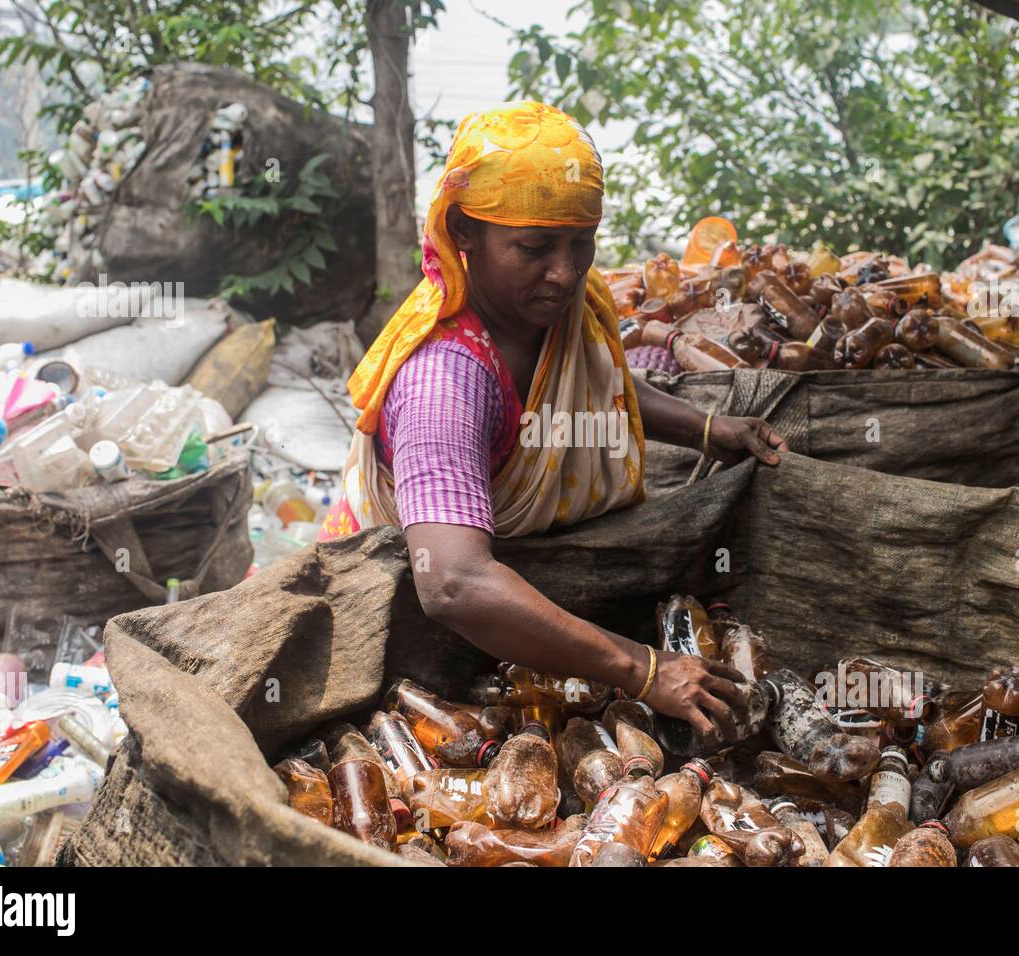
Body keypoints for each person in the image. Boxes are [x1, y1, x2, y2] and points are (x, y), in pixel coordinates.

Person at [319, 101, 787, 742]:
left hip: (520, 600)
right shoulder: (444, 381)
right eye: (535, 247)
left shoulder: (550, 315)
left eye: (581, 244)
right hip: (405, 627)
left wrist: (710, 430)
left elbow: (601, 391)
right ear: (464, 232)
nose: (565, 273)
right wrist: (643, 669)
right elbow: (453, 583)